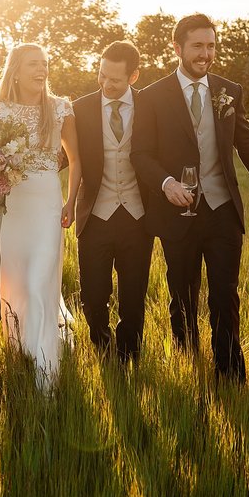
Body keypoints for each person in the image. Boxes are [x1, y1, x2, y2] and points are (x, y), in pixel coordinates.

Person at [131, 13, 249, 382]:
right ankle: (187, 368)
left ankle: (229, 374)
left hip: (222, 209)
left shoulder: (229, 90)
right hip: (176, 211)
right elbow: (140, 154)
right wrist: (166, 184)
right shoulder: (150, 97)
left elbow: (247, 146)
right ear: (177, 48)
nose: (206, 53)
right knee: (182, 295)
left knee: (225, 295)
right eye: (198, 45)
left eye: (211, 45)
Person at [0, 43, 81, 385]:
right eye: (33, 64)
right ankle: (20, 353)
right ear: (15, 69)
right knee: (14, 283)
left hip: (46, 204)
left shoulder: (59, 108)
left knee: (39, 280)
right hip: (9, 206)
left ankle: (46, 369)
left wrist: (70, 201)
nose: (41, 69)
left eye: (44, 63)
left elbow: (77, 158)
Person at [73, 41, 152, 363]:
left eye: (115, 79)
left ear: (133, 76)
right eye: (102, 75)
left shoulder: (151, 106)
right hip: (95, 215)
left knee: (133, 295)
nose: (107, 84)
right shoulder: (79, 109)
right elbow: (63, 157)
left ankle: (129, 356)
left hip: (138, 215)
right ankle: (102, 349)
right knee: (93, 296)